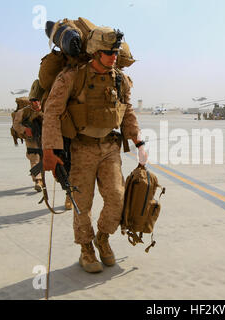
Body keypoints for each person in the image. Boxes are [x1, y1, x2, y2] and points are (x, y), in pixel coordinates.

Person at [42, 27, 148, 273]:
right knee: (82, 203)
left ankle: (103, 237)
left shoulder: (119, 79)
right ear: (94, 52)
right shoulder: (71, 77)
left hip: (110, 147)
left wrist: (139, 141)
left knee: (117, 198)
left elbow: (127, 111)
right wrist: (50, 150)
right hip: (81, 148)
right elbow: (52, 113)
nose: (113, 57)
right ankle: (86, 248)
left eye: (115, 52)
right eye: (107, 52)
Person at [12, 80, 44, 192]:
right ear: (30, 102)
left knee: (44, 158)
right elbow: (16, 125)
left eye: (38, 101)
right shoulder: (23, 112)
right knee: (34, 157)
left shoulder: (44, 110)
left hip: (43, 137)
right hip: (31, 138)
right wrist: (25, 130)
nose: (36, 103)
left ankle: (41, 177)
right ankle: (38, 180)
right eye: (34, 101)